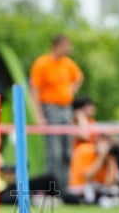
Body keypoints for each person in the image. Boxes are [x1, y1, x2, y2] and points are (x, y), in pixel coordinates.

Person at [30, 34, 84, 193]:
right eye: (67, 45)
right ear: (57, 46)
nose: (70, 49)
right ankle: (51, 188)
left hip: (66, 108)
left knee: (67, 151)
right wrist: (38, 115)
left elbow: (79, 76)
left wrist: (72, 89)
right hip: (50, 108)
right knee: (54, 152)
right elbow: (34, 90)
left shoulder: (67, 63)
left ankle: (64, 188)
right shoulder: (42, 63)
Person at [64, 135, 119, 206]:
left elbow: (109, 184)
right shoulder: (85, 150)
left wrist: (111, 161)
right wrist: (101, 157)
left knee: (115, 191)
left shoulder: (109, 158)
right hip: (79, 190)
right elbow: (88, 177)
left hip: (99, 191)